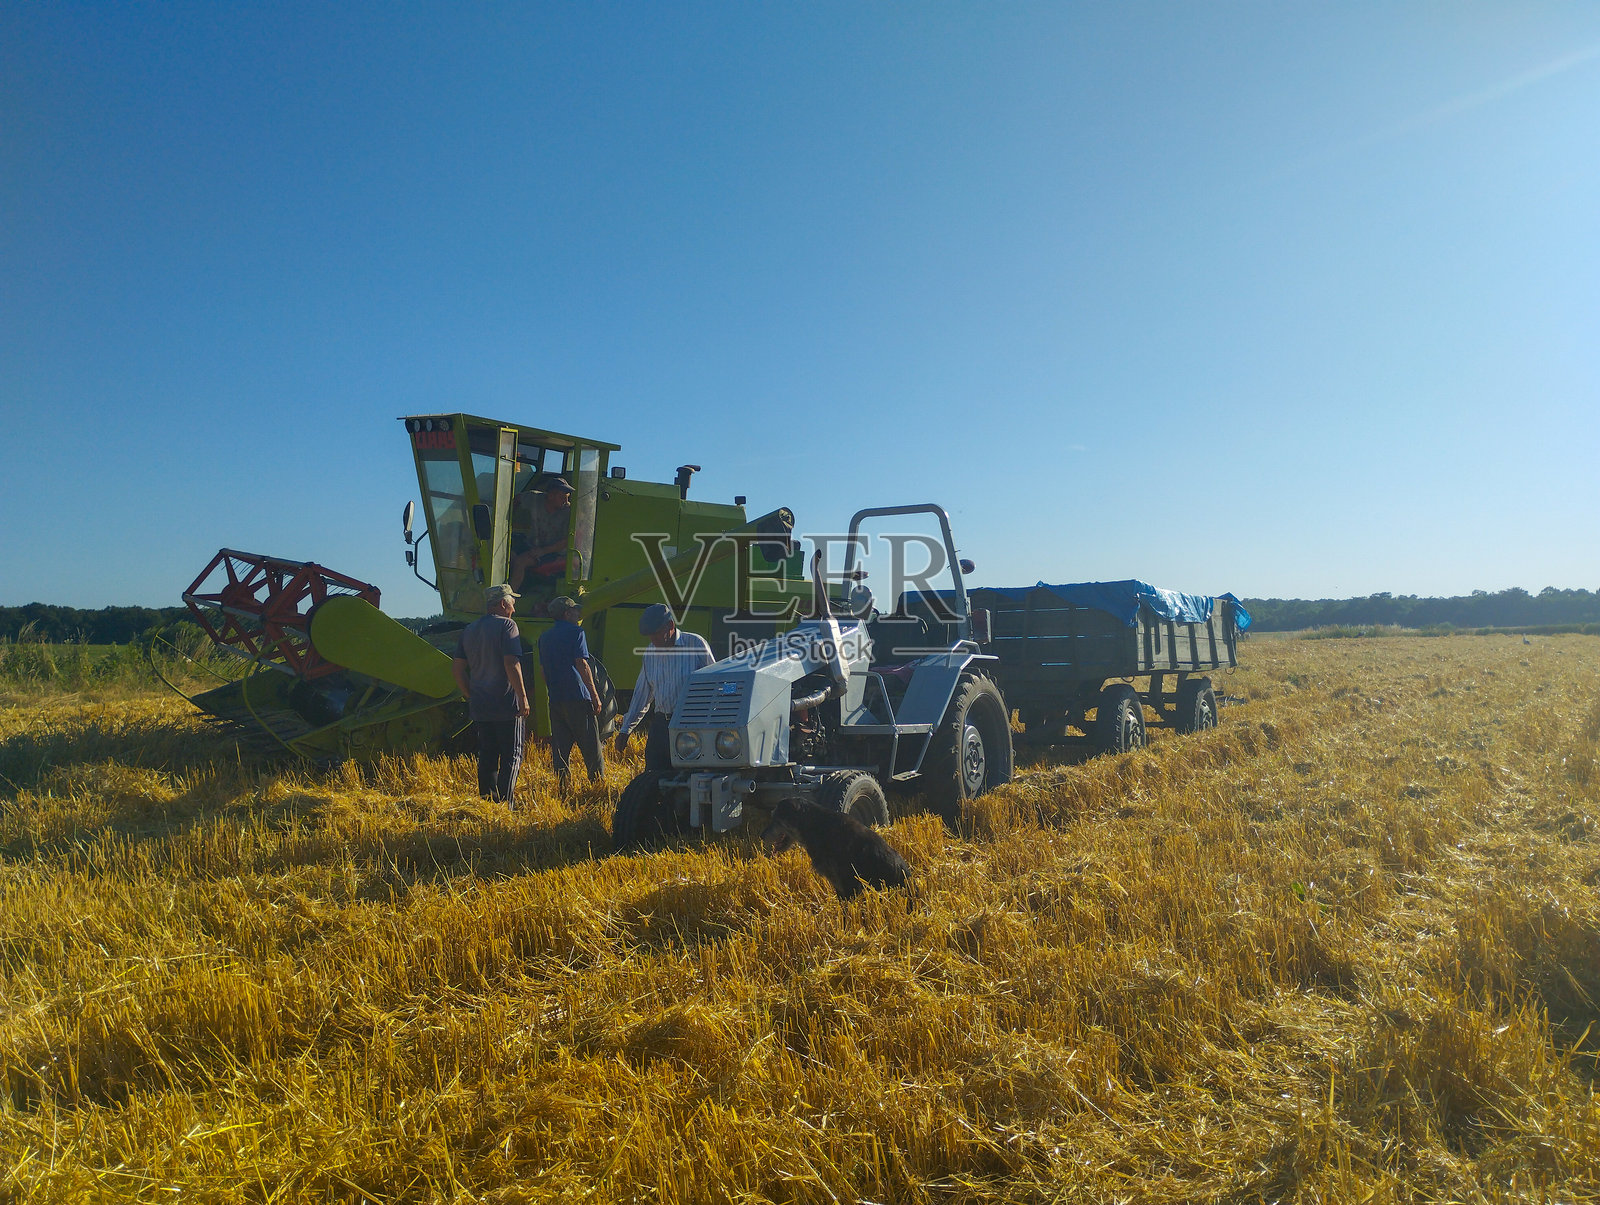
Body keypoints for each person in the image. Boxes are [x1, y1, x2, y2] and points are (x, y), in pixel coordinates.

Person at [451, 584, 531, 803]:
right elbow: (511, 663)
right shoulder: (508, 626)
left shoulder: (470, 629)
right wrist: (522, 697)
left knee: (487, 755)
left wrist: (469, 695)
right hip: (506, 704)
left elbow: (457, 669)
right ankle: (506, 805)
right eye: (512, 603)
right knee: (512, 756)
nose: (514, 609)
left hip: (480, 704)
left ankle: (488, 802)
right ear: (503, 604)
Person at [614, 603, 715, 771]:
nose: (653, 640)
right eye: (650, 637)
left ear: (670, 626)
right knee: (653, 775)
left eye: (657, 634)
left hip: (690, 724)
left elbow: (714, 682)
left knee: (688, 776)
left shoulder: (695, 644)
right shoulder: (650, 653)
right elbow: (642, 695)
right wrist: (625, 730)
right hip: (661, 725)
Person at [537, 595, 605, 784]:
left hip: (556, 698)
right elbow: (582, 664)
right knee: (591, 745)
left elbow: (542, 671)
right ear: (567, 613)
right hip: (577, 696)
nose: (578, 613)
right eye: (575, 610)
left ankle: (563, 785)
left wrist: (553, 689)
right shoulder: (577, 632)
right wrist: (594, 695)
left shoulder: (544, 637)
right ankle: (597, 784)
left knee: (560, 748)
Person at [509, 475, 573, 591]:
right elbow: (516, 500)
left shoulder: (568, 513)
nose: (566, 501)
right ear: (550, 496)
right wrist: (507, 518)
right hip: (532, 544)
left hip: (554, 552)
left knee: (520, 562)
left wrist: (543, 551)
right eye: (562, 497)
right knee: (508, 555)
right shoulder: (534, 498)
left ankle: (507, 599)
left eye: (567, 497)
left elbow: (568, 540)